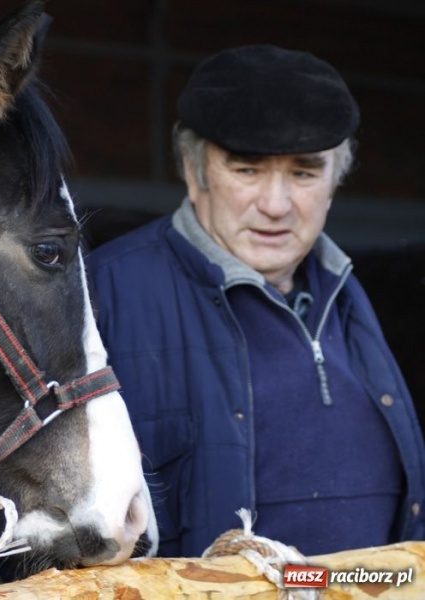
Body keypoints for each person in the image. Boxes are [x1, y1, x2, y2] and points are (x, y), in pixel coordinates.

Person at [87, 44, 425, 558]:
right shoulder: (102, 294)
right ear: (193, 169)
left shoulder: (347, 288)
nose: (275, 204)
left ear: (335, 183)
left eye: (305, 173)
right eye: (247, 170)